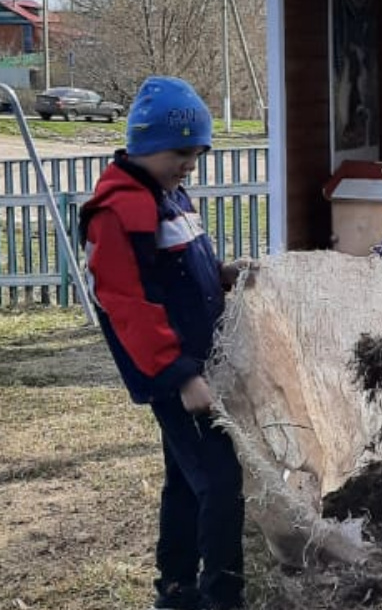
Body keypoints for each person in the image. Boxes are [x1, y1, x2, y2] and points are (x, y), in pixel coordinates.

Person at [79, 76, 254, 610]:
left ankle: (177, 587)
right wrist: (181, 375)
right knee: (221, 482)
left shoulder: (169, 197)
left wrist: (222, 273)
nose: (189, 165)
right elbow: (128, 303)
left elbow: (182, 271)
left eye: (197, 154)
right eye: (181, 153)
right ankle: (221, 597)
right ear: (147, 144)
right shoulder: (119, 212)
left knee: (185, 479)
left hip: (196, 365)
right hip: (175, 375)